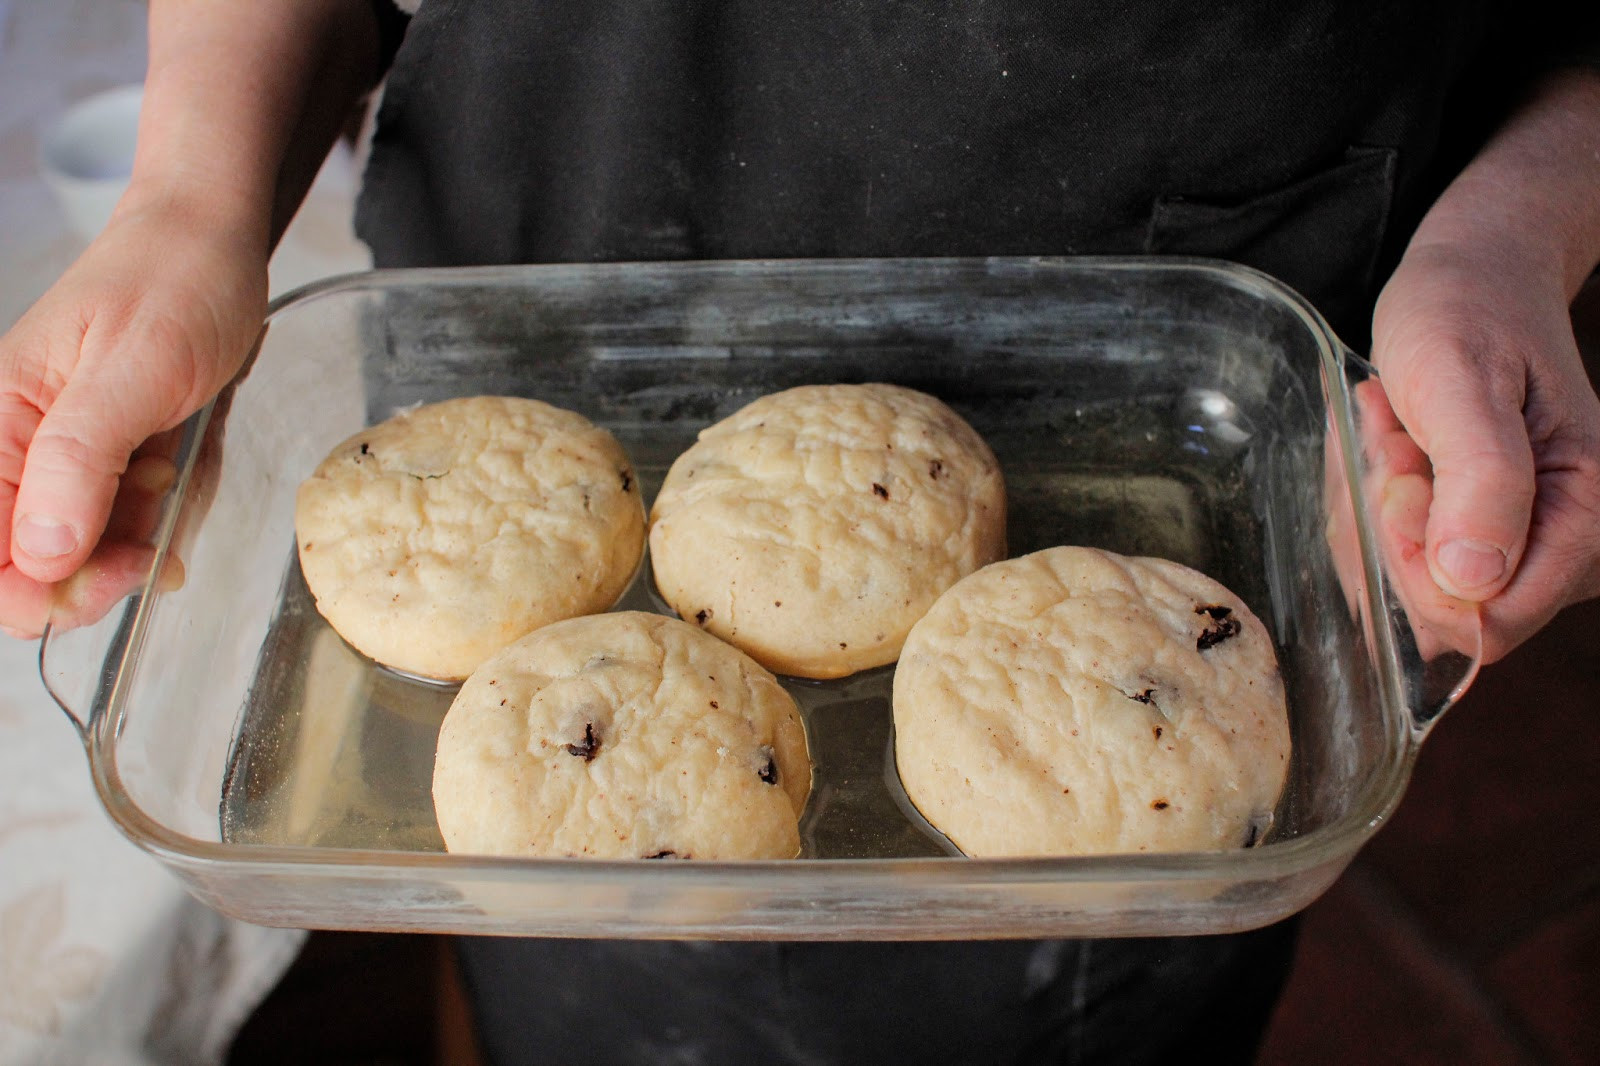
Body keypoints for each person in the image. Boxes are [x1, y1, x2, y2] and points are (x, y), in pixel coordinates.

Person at [1, 1, 1596, 1063]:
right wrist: (193, 199)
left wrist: (1515, 230)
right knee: (584, 979)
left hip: (1198, 420)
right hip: (533, 282)